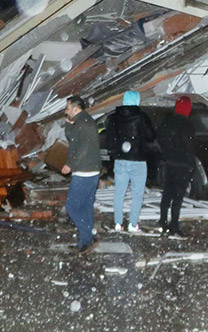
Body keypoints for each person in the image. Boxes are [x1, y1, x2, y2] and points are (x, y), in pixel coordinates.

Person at [105, 90, 157, 233]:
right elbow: (151, 135)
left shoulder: (114, 117)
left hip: (120, 160)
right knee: (137, 194)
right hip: (138, 160)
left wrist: (115, 153)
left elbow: (110, 139)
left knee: (119, 193)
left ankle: (117, 223)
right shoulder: (142, 117)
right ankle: (133, 224)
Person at [60, 95, 100, 254]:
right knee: (85, 206)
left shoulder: (83, 123)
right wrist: (68, 124)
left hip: (84, 171)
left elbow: (82, 147)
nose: (66, 111)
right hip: (91, 170)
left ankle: (87, 238)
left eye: (68, 108)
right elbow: (72, 138)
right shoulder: (83, 121)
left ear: (75, 108)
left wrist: (70, 164)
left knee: (72, 207)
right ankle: (88, 238)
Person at [157, 96, 196, 238]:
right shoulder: (188, 125)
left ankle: (162, 221)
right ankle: (174, 225)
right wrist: (191, 161)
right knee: (178, 196)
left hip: (169, 162)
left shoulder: (167, 122)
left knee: (167, 192)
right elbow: (189, 145)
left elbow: (160, 138)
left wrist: (166, 154)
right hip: (182, 164)